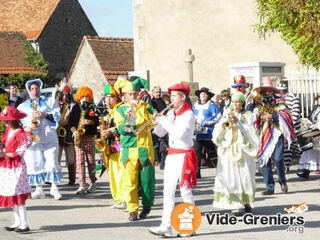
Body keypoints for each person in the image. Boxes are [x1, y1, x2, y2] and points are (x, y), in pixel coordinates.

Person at [149, 83, 197, 237]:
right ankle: (166, 225)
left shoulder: (188, 113)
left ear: (183, 97)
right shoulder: (172, 113)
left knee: (185, 191)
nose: (171, 99)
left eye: (175, 96)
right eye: (171, 96)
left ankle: (190, 227)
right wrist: (155, 123)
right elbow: (162, 133)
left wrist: (163, 121)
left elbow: (179, 133)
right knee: (167, 191)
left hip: (184, 155)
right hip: (172, 155)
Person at [114, 78, 155, 221]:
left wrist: (155, 116)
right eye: (130, 94)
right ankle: (132, 209)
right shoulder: (119, 110)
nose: (133, 97)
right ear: (124, 96)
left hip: (145, 148)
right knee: (129, 182)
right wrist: (128, 118)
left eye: (135, 93)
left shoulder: (146, 106)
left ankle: (147, 207)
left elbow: (155, 118)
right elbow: (122, 130)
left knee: (147, 182)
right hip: (128, 150)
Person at [212, 92, 259, 216]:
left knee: (245, 177)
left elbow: (250, 133)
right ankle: (237, 205)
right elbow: (217, 135)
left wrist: (237, 122)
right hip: (228, 150)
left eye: (237, 102)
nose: (235, 104)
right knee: (231, 178)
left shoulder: (247, 115)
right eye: (233, 102)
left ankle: (246, 202)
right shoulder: (226, 114)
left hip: (243, 150)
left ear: (242, 103)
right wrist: (225, 120)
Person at [247, 76, 296, 195]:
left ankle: (282, 181)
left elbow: (286, 115)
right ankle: (270, 187)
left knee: (278, 159)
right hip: (262, 134)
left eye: (269, 90)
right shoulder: (257, 102)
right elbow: (248, 112)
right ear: (262, 91)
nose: (267, 92)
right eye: (265, 90)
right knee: (265, 159)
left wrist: (272, 116)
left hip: (276, 133)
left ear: (273, 91)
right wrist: (251, 99)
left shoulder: (279, 101)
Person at [17, 79, 62, 200]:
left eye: (37, 88)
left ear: (40, 89)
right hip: (33, 139)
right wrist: (26, 127)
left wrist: (44, 115)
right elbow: (19, 121)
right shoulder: (23, 106)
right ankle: (39, 189)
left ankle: (54, 188)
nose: (35, 90)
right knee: (34, 163)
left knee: (52, 162)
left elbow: (57, 116)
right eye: (32, 89)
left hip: (49, 137)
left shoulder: (50, 102)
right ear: (29, 91)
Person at [0, 106, 32, 233]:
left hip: (17, 166)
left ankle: (24, 223)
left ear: (13, 120)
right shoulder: (8, 131)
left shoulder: (22, 133)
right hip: (7, 166)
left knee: (18, 193)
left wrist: (4, 154)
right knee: (12, 192)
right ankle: (17, 221)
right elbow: (6, 146)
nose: (4, 122)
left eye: (6, 120)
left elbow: (19, 152)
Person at [97, 84, 125, 208]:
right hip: (110, 145)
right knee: (113, 172)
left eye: (111, 97)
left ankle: (124, 199)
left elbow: (123, 126)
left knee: (121, 172)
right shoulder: (108, 111)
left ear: (117, 98)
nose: (108, 100)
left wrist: (111, 131)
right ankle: (117, 198)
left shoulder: (120, 109)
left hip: (119, 145)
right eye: (107, 97)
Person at [70, 86, 98, 194]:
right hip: (78, 137)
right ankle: (81, 185)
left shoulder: (92, 108)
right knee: (80, 162)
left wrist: (89, 122)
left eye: (86, 97)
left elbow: (97, 121)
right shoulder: (76, 108)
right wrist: (74, 131)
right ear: (79, 98)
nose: (84, 99)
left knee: (91, 161)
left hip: (89, 136)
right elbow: (71, 123)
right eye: (82, 97)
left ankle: (93, 183)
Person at [193, 87, 220, 178]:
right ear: (199, 96)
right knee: (197, 154)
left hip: (208, 133)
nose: (203, 96)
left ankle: (220, 171)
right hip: (197, 133)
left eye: (205, 95)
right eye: (202, 95)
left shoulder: (212, 105)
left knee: (212, 153)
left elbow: (218, 116)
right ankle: (197, 173)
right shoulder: (195, 105)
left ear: (208, 96)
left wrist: (209, 122)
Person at [276, 82, 301, 171]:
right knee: (286, 146)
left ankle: (304, 164)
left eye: (279, 91)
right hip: (281, 127)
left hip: (292, 127)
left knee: (296, 147)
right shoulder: (277, 99)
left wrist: (290, 126)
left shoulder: (293, 98)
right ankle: (286, 165)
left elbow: (295, 112)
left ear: (283, 91)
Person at [56, 81, 77, 185]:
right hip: (57, 133)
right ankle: (54, 177)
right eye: (62, 94)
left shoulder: (73, 106)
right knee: (56, 157)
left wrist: (68, 121)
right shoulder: (55, 105)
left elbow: (76, 119)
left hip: (68, 133)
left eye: (66, 94)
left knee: (71, 157)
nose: (64, 96)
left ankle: (72, 178)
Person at [297, 94, 320, 179]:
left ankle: (306, 171)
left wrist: (318, 125)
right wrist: (308, 124)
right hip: (315, 132)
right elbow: (310, 118)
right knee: (309, 150)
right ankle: (306, 171)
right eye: (318, 99)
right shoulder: (316, 108)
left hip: (318, 131)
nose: (319, 100)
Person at [150, 86, 167, 167]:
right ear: (153, 93)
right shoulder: (151, 102)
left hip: (163, 123)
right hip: (155, 124)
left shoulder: (162, 101)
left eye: (159, 92)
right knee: (155, 143)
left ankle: (161, 160)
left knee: (162, 143)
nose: (158, 93)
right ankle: (156, 160)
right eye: (156, 92)